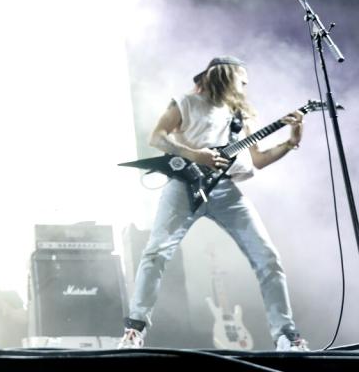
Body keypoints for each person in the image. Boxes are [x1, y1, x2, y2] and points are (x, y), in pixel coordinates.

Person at [119, 56, 308, 351]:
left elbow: (258, 160)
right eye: (241, 78)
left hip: (226, 190)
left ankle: (286, 335)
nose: (245, 85)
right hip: (183, 186)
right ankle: (134, 329)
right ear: (224, 74)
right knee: (156, 253)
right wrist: (196, 155)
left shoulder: (240, 114)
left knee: (267, 257)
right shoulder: (186, 103)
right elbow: (157, 137)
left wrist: (290, 142)